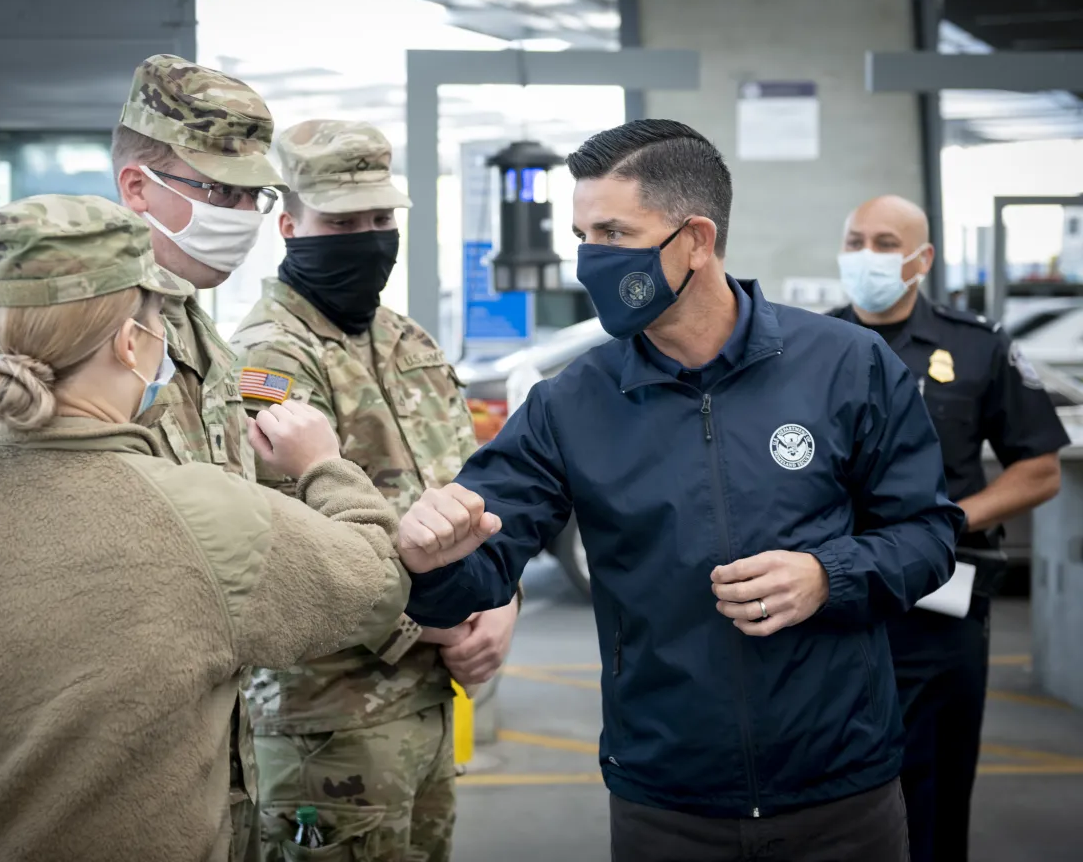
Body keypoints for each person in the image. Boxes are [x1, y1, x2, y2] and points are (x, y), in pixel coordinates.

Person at [394, 120, 965, 862]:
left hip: (841, 792)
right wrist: (429, 556)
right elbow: (474, 576)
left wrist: (829, 576)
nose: (590, 259)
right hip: (667, 801)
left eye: (613, 232)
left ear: (696, 239)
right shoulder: (572, 405)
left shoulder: (846, 366)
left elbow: (928, 535)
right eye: (581, 234)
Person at [0, 195, 413, 861]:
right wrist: (325, 465)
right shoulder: (208, 516)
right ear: (132, 343)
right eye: (158, 316)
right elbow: (374, 581)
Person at [0, 54, 288, 860]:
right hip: (87, 779)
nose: (241, 215)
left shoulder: (197, 331)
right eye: (217, 191)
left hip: (199, 759)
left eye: (251, 197)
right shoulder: (57, 329)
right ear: (136, 189)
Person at [230, 119, 519, 861]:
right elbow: (279, 552)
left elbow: (474, 491)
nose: (367, 236)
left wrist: (499, 602)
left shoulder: (406, 341)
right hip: (328, 724)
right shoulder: (271, 360)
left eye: (380, 218)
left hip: (423, 707)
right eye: (341, 221)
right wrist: (434, 626)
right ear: (290, 225)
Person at [829, 195, 1070, 862]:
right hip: (837, 596)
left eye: (884, 242)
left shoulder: (977, 346)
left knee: (933, 790)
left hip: (940, 598)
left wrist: (946, 521)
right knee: (831, 788)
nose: (865, 256)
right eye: (855, 240)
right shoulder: (810, 344)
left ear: (921, 259)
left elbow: (1040, 470)